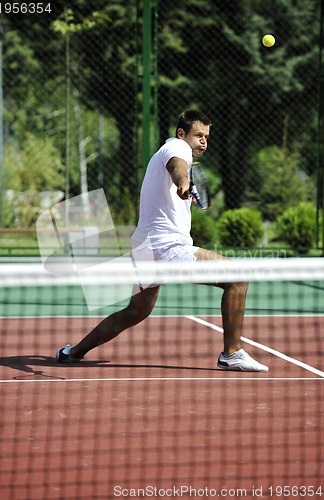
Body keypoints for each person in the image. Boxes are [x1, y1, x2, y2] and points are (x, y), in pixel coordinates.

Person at [56, 110, 268, 372]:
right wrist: (182, 182)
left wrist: (183, 187)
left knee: (136, 311)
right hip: (166, 247)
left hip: (145, 247)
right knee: (237, 277)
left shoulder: (165, 154)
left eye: (206, 137)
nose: (203, 141)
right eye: (198, 135)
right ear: (182, 133)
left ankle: (72, 352)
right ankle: (232, 353)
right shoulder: (177, 148)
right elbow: (177, 166)